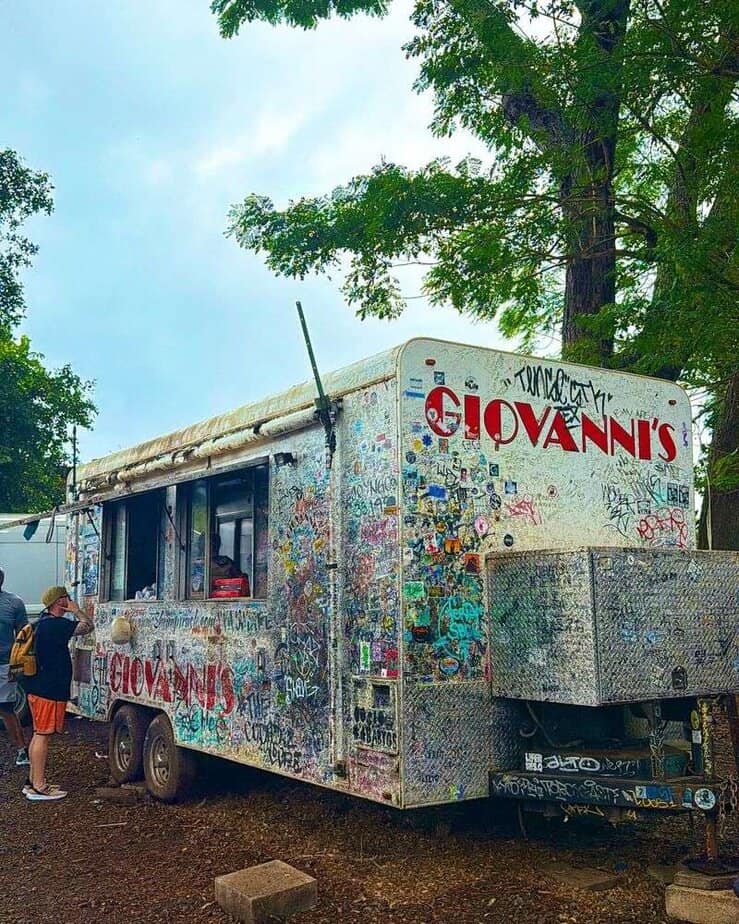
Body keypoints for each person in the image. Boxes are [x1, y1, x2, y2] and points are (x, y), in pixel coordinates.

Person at [22, 585, 94, 801]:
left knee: (38, 733)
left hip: (36, 687)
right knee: (43, 735)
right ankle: (39, 786)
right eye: (66, 597)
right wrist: (76, 610)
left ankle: (32, 782)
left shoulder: (39, 624)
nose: (69, 600)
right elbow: (88, 626)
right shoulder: (57, 625)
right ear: (59, 601)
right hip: (49, 689)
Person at [0, 568, 30, 768]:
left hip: (5, 664)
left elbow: (24, 636)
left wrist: (18, 665)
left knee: (5, 708)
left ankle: (22, 751)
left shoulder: (14, 603)